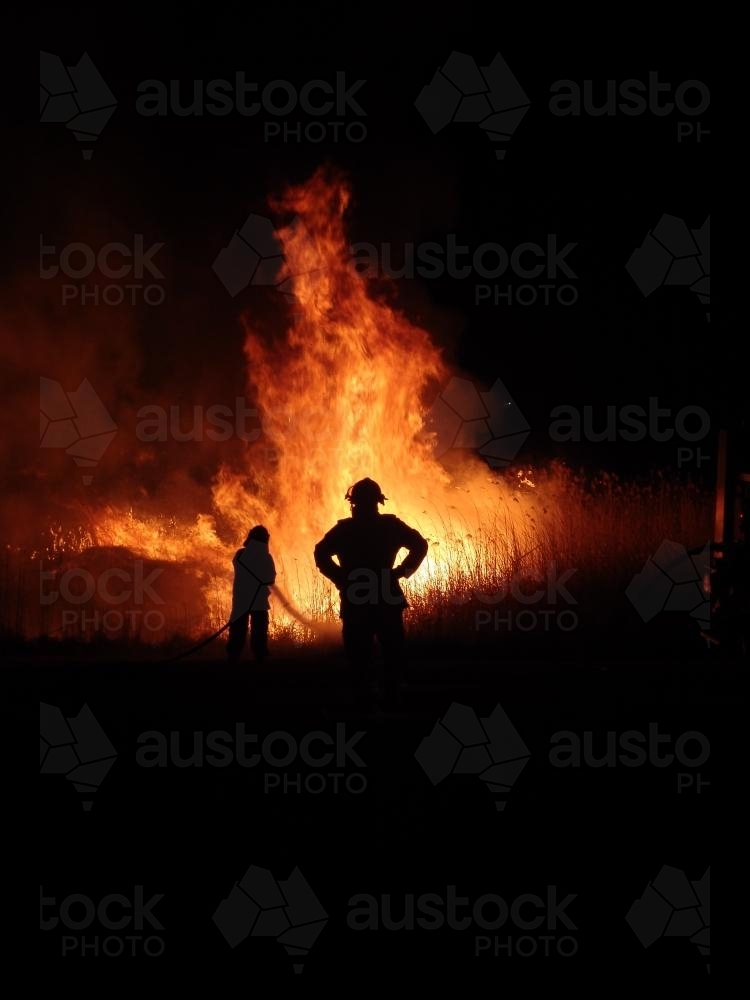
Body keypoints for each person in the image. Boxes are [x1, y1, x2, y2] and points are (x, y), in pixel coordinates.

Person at [314, 478, 428, 704]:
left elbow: (320, 553)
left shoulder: (345, 530)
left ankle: (363, 697)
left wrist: (341, 578)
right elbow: (420, 545)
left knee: (358, 651)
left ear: (353, 503)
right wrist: (400, 572)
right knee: (392, 648)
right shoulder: (390, 526)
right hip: (385, 594)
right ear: (378, 501)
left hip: (356, 596)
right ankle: (391, 695)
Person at [227, 525, 276, 664]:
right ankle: (260, 655)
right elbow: (270, 578)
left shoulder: (240, 554)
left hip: (242, 597)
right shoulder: (265, 556)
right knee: (259, 628)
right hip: (258, 598)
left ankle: (233, 655)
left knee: (238, 628)